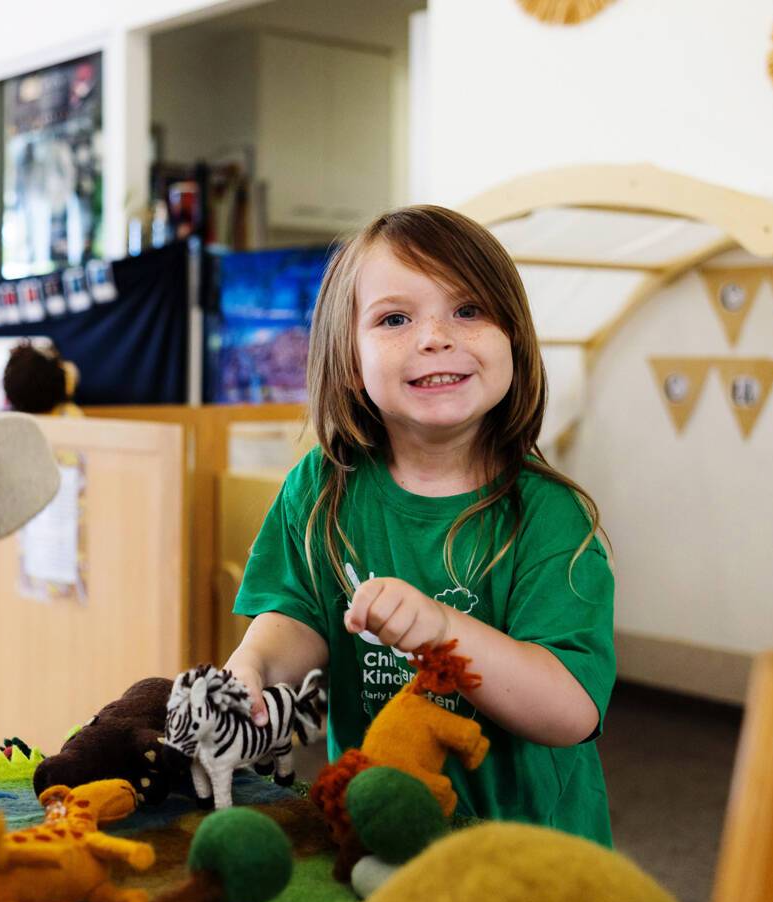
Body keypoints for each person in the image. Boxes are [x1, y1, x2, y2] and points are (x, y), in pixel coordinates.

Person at [225, 205, 615, 844]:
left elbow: (569, 708)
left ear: (512, 338)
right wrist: (255, 665)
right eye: (395, 318)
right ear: (350, 361)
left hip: (527, 853)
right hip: (380, 829)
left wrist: (442, 630)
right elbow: (298, 618)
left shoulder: (549, 515)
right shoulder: (320, 488)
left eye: (468, 310)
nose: (435, 337)